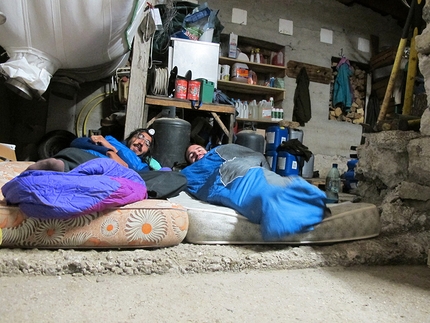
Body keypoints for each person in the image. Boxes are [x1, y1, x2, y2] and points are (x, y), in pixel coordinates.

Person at [182, 143, 328, 241]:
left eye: (198, 149)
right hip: (224, 181)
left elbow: (256, 156)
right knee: (259, 196)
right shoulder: (191, 171)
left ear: (206, 149)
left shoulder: (222, 150)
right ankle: (294, 208)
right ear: (190, 163)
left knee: (274, 182)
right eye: (191, 155)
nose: (196, 153)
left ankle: (301, 201)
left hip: (244, 169)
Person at [26, 128, 187, 199]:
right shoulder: (110, 140)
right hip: (92, 161)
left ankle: (66, 171)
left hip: (122, 177)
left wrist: (117, 157)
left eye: (147, 143)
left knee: (178, 178)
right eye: (140, 137)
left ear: (147, 151)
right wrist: (108, 151)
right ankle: (58, 166)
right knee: (72, 158)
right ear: (131, 137)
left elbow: (142, 175)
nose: (141, 143)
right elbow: (75, 142)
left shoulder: (142, 164)